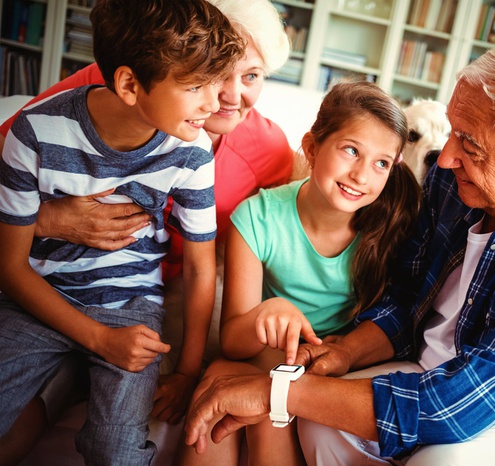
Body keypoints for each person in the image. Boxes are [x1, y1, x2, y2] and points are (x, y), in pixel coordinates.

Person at [184, 39, 495, 466]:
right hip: (435, 372)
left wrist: (275, 391)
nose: (443, 158)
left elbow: (464, 403)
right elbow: (407, 299)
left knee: (440, 463)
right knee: (320, 420)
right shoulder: (458, 182)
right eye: (452, 132)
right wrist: (343, 353)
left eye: (469, 144)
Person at [0, 0, 293, 463]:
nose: (225, 97)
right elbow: (11, 251)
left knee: (113, 439)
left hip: (138, 296)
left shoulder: (246, 150)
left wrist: (188, 370)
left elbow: (224, 261)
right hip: (47, 285)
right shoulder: (76, 106)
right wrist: (50, 219)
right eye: (212, 77)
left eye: (252, 76)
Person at [179, 80, 421, 466]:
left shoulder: (390, 230)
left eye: (381, 163)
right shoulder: (257, 217)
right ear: (311, 148)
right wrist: (266, 312)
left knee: (266, 413)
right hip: (266, 358)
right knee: (220, 378)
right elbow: (233, 344)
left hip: (332, 369)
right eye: (350, 150)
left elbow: (389, 326)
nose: (361, 175)